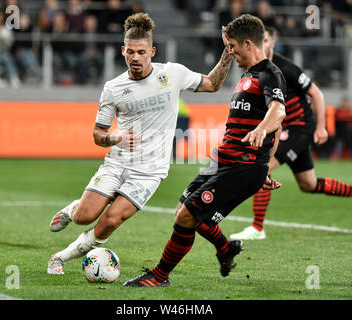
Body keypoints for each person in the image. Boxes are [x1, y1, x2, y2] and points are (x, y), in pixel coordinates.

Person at [47, 12, 234, 274]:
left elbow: (213, 84)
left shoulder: (173, 74)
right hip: (118, 162)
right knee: (85, 217)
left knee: (111, 221)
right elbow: (98, 134)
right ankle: (72, 210)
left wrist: (228, 52)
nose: (135, 57)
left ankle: (60, 258)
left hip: (149, 171)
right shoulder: (113, 87)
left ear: (152, 52)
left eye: (141, 52)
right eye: (131, 52)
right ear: (123, 51)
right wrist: (114, 137)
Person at [123, 14, 286, 287]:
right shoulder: (249, 74)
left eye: (233, 46)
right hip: (224, 161)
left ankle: (159, 276)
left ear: (248, 44)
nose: (231, 52)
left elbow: (278, 113)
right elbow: (274, 127)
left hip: (242, 166)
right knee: (182, 212)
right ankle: (225, 249)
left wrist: (261, 140)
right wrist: (266, 164)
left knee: (189, 215)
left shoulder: (271, 74)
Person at [230, 26, 352, 241]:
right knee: (308, 184)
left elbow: (316, 92)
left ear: (271, 43)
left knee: (262, 168)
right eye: (261, 39)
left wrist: (322, 126)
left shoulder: (285, 67)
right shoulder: (256, 70)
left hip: (300, 127)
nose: (263, 43)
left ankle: (257, 227)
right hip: (284, 130)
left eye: (266, 40)